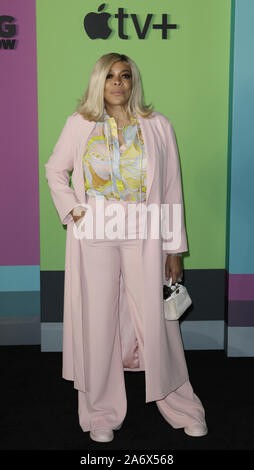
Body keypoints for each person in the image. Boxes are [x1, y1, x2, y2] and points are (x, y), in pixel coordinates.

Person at [45, 52, 208, 443]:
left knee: (156, 321)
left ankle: (182, 406)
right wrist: (73, 210)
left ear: (133, 83)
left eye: (125, 76)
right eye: (110, 76)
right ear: (98, 82)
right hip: (95, 232)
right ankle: (101, 414)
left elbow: (170, 190)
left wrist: (174, 250)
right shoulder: (79, 124)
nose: (117, 82)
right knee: (97, 321)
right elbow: (55, 169)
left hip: (144, 230)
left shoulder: (158, 126)